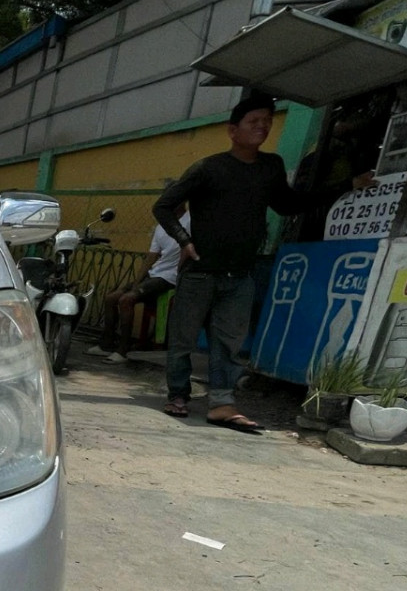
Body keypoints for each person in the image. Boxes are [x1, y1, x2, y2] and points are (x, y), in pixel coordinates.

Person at [152, 92, 373, 433]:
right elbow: (163, 206)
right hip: (200, 272)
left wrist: (346, 186)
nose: (262, 127)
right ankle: (178, 394)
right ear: (233, 130)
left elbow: (288, 205)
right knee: (182, 339)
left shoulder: (270, 167)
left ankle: (221, 404)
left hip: (240, 274)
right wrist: (184, 240)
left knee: (229, 344)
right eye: (253, 121)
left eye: (267, 121)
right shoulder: (208, 168)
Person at [88, 209, 190, 363]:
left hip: (171, 277)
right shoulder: (162, 226)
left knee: (126, 300)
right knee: (111, 298)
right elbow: (152, 256)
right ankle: (106, 344)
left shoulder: (191, 221)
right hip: (155, 273)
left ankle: (123, 350)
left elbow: (187, 251)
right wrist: (137, 281)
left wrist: (181, 274)